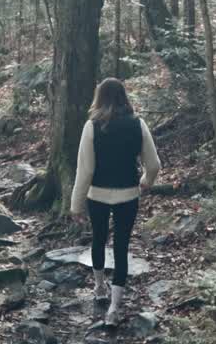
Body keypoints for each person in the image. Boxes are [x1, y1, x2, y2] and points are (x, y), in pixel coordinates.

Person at [69, 77, 161, 326]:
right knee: (121, 248)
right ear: (124, 96)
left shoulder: (92, 126)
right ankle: (114, 309)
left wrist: (76, 204)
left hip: (97, 195)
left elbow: (85, 170)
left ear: (100, 97)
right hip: (128, 195)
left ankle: (99, 287)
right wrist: (146, 181)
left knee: (98, 240)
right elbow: (153, 165)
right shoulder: (138, 124)